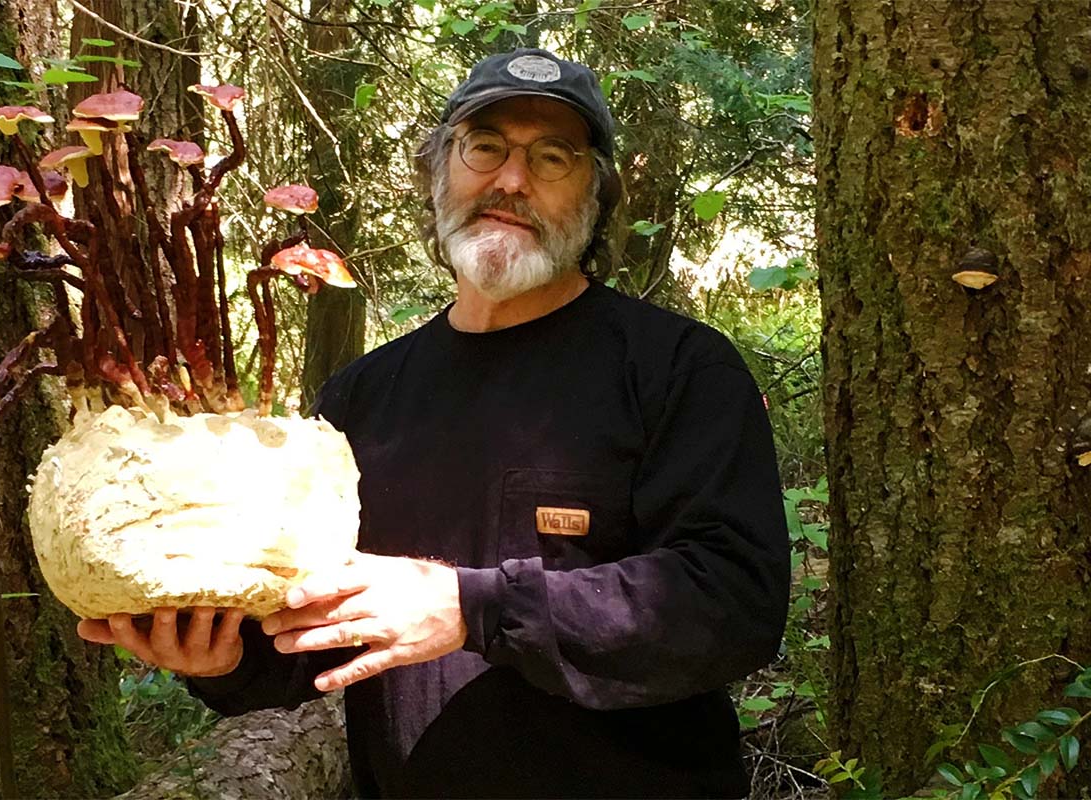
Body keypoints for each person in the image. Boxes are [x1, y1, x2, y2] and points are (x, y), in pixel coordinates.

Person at [79, 47, 790, 798]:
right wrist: (225, 662)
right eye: (485, 147)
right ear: (439, 167)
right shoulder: (362, 398)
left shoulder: (676, 369)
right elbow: (312, 634)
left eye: (552, 157)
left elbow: (732, 602)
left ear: (596, 192)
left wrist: (468, 608)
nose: (510, 180)